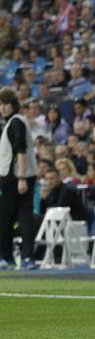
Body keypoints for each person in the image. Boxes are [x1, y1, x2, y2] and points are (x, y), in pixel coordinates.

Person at [0, 88, 36, 270]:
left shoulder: (15, 122)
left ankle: (6, 257)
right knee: (24, 216)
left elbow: (20, 149)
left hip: (15, 176)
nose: (3, 107)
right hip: (22, 175)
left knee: (7, 217)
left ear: (13, 105)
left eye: (6, 103)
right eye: (1, 104)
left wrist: (21, 176)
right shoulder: (16, 122)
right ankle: (27, 257)